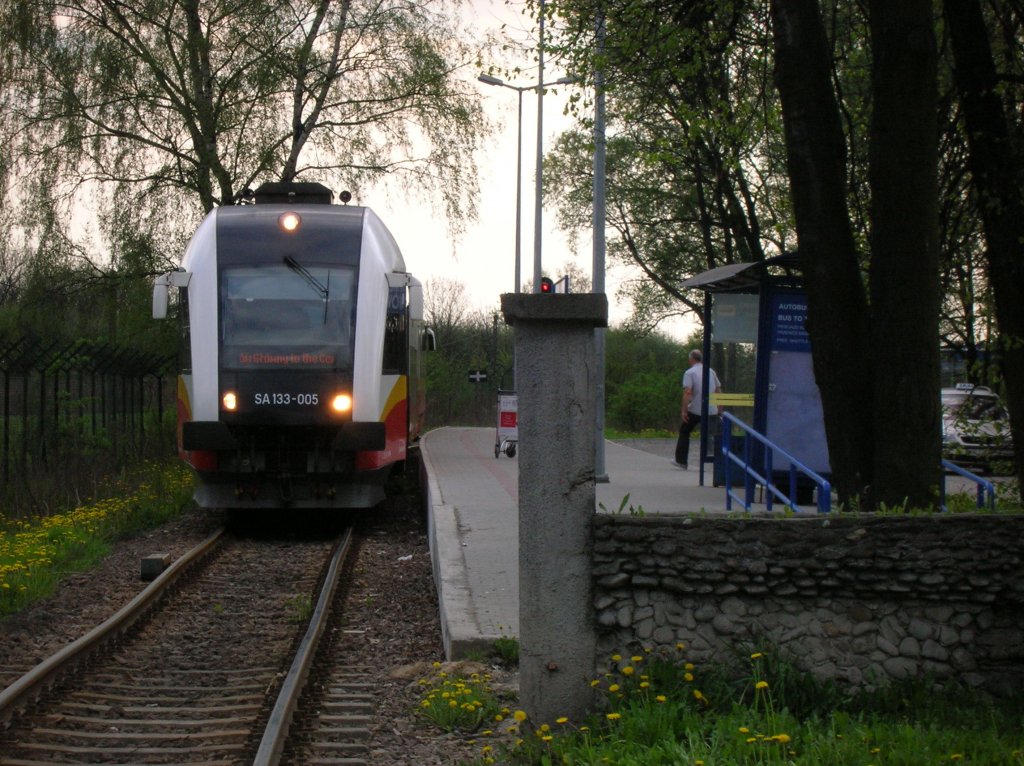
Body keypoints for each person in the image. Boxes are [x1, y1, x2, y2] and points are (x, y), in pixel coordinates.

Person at [673, 349, 721, 469]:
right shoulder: (711, 371)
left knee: (685, 432)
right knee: (710, 434)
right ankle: (715, 461)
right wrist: (719, 408)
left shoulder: (690, 373)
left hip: (696, 409)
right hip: (711, 409)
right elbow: (718, 390)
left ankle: (681, 461)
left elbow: (687, 393)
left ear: (691, 359)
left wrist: (684, 410)